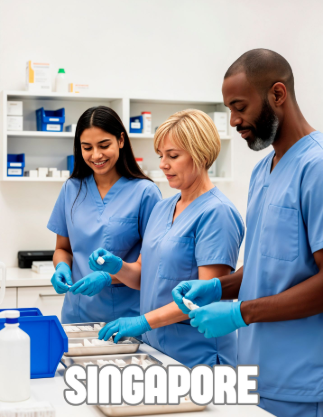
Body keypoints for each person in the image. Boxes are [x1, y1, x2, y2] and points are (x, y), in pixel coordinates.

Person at [173, 49, 323, 417]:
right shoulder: (261, 173)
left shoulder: (316, 168)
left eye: (239, 107)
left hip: (304, 382)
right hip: (255, 376)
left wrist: (242, 313)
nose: (234, 121)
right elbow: (268, 267)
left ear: (277, 94)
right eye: (228, 110)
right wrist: (218, 288)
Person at [89, 109, 245, 368]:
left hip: (199, 355)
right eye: (161, 155)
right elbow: (142, 276)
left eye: (173, 156)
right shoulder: (163, 208)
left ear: (200, 154)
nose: (163, 164)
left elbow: (204, 296)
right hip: (157, 349)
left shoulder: (217, 213)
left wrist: (143, 321)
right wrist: (117, 266)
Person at [47, 106, 161, 323]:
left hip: (126, 318)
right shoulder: (71, 189)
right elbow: (63, 249)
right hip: (76, 315)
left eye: (104, 145)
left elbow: (151, 264)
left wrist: (107, 277)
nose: (96, 155)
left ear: (120, 140)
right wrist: (61, 266)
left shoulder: (145, 193)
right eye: (87, 147)